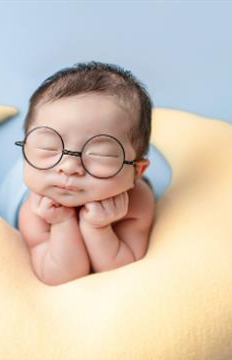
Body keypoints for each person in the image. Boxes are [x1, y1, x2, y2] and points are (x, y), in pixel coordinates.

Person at [16, 61, 155, 286]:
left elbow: (122, 271)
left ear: (137, 171)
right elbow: (59, 276)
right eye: (48, 146)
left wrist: (98, 229)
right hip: (39, 173)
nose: (69, 166)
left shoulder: (137, 201)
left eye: (100, 154)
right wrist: (61, 223)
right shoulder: (35, 208)